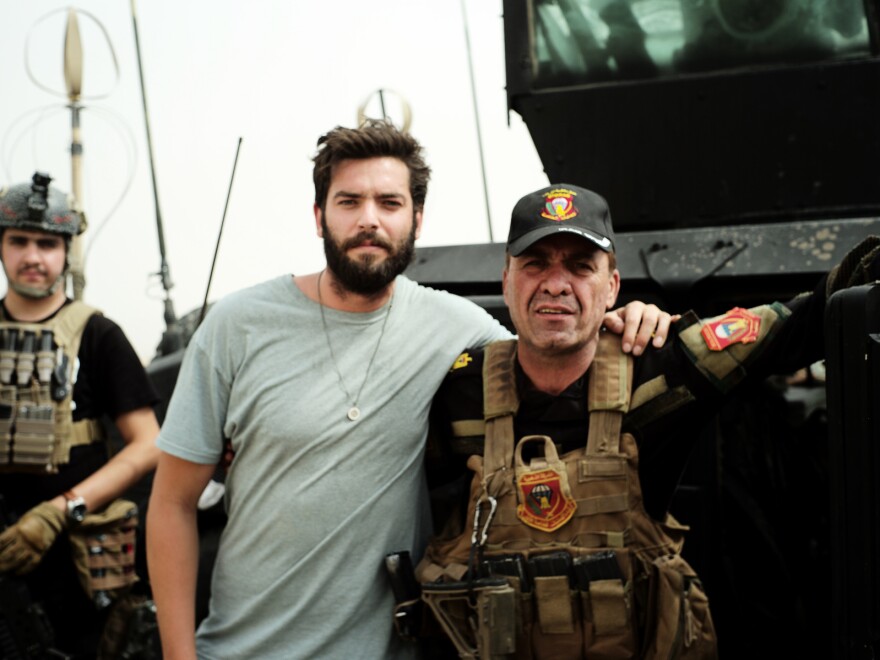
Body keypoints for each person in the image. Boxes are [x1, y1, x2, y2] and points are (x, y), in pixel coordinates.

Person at [145, 121, 673, 660]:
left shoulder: (457, 328)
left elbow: (552, 344)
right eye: (348, 201)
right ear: (318, 215)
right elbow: (172, 503)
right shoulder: (237, 325)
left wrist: (632, 319)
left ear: (416, 220)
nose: (368, 218)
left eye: (389, 202)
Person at [419, 183, 880, 658]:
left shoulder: (660, 367)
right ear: (506, 281)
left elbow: (801, 324)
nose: (556, 283)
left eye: (580, 266)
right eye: (536, 263)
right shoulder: (454, 389)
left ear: (613, 287)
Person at [0, 172, 161, 659]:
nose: (33, 256)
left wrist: (61, 509)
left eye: (47, 243)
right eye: (19, 241)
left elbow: (148, 443)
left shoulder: (97, 334)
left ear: (66, 250)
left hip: (81, 568)